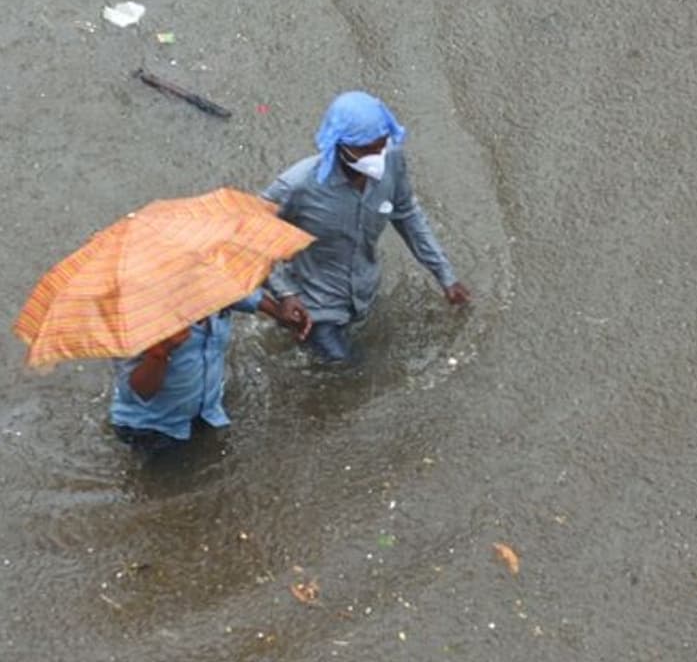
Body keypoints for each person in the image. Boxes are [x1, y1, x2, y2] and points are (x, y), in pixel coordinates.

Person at [260, 91, 470, 363]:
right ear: (339, 145)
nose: (376, 156)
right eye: (366, 150)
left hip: (365, 292)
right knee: (348, 369)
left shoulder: (392, 160)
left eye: (380, 145)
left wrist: (446, 276)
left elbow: (407, 215)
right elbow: (247, 238)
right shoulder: (297, 186)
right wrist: (284, 294)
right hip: (316, 306)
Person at [110, 289, 308, 452]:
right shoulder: (133, 315)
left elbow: (239, 292)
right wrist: (160, 352)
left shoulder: (209, 285)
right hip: (154, 428)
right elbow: (138, 392)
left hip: (207, 412)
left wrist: (278, 311)